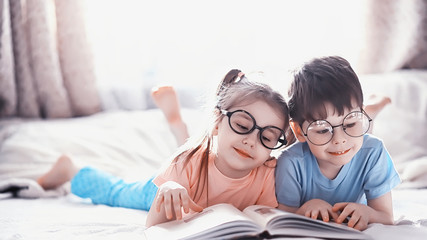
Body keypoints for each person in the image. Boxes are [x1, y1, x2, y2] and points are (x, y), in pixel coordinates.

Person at [37, 69, 291, 228]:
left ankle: (176, 123)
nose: (251, 140)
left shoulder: (268, 172)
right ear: (216, 122)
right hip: (162, 192)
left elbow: (267, 216)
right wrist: (166, 191)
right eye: (242, 125)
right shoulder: (184, 163)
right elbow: (153, 228)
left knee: (195, 152)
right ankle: (70, 169)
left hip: (195, 173)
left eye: (267, 137)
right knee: (117, 192)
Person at [275, 56, 401, 231]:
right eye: (322, 129)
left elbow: (386, 217)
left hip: (362, 132)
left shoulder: (373, 152)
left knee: (361, 134)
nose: (339, 139)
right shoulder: (291, 162)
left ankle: (371, 109)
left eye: (350, 123)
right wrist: (304, 209)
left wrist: (367, 213)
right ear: (298, 131)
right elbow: (281, 220)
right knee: (351, 132)